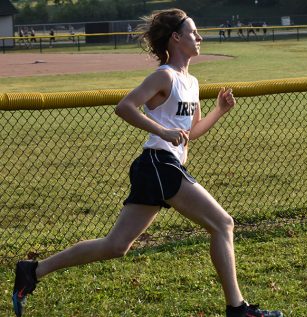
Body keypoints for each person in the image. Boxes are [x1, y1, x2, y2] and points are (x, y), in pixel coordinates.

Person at [12, 8, 283, 317]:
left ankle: (32, 271)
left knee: (116, 245)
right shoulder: (164, 75)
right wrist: (162, 131)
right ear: (176, 38)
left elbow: (190, 133)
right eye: (193, 32)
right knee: (223, 224)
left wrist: (219, 111)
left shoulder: (191, 82)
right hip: (158, 162)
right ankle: (238, 309)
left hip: (162, 166)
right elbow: (125, 107)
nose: (200, 37)